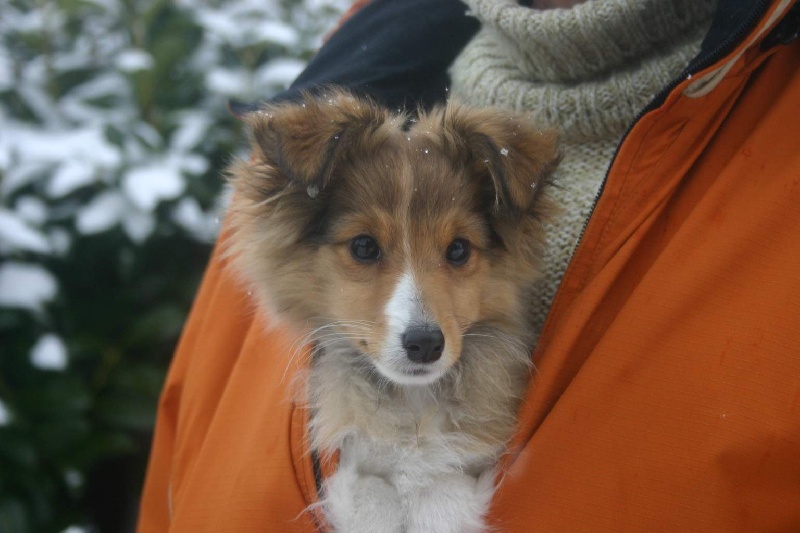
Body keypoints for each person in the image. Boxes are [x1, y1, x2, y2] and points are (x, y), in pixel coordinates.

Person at [137, 0, 800, 530]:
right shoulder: (340, 88)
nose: (419, 313)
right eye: (365, 249)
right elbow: (175, 489)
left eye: (456, 251)